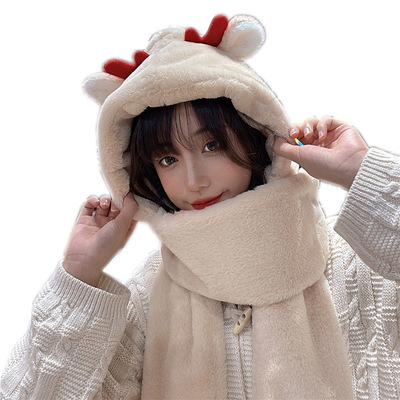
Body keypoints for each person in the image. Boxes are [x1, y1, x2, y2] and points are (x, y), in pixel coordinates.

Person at [1, 14, 399, 400]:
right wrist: (79, 274)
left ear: (255, 136)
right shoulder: (148, 295)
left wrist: (358, 171)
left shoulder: (354, 268)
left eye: (211, 145)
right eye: (168, 159)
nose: (194, 181)